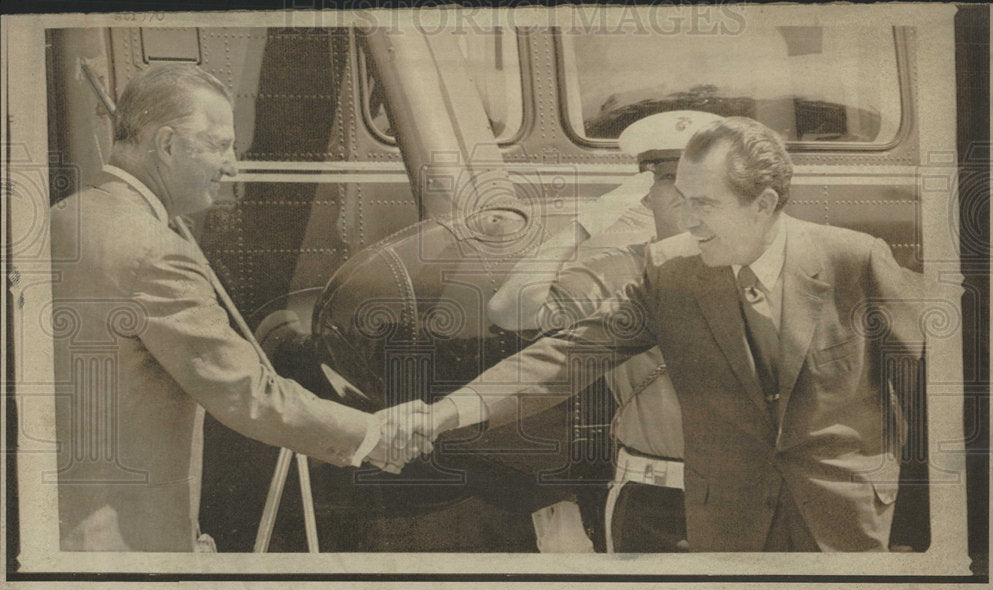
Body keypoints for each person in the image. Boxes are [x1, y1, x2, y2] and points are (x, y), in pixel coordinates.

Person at [387, 116, 925, 552]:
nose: (686, 220)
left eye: (704, 204)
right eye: (680, 198)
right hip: (726, 530)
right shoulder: (670, 273)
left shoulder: (855, 261)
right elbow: (567, 357)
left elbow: (926, 393)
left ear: (763, 204)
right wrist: (441, 413)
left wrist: (928, 528)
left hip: (843, 523)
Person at [49, 64, 391, 552]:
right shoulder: (157, 252)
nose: (232, 165)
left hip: (60, 534)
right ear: (166, 145)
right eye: (219, 145)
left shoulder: (62, 218)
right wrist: (371, 434)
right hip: (130, 550)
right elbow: (246, 394)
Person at [485, 111, 717, 552]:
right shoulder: (618, 270)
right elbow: (510, 310)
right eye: (669, 177)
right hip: (652, 497)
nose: (688, 191)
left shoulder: (759, 260)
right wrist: (584, 224)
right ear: (646, 193)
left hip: (748, 489)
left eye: (702, 176)